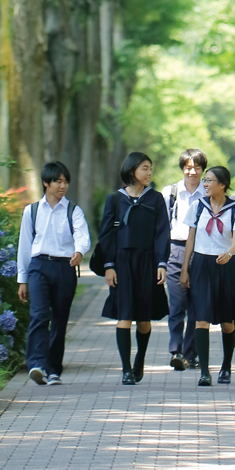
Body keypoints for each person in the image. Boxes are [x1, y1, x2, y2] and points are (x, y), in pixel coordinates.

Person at [16, 161, 92, 386]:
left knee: (60, 319)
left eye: (66, 181)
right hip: (39, 267)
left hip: (65, 267)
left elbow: (82, 234)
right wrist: (22, 279)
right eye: (58, 181)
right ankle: (37, 364)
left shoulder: (73, 210)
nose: (63, 186)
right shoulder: (32, 211)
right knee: (39, 315)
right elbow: (25, 245)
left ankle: (54, 369)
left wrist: (79, 251)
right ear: (45, 183)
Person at [98, 151, 170, 385]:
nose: (149, 173)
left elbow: (162, 233)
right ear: (132, 171)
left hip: (148, 262)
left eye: (150, 168)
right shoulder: (115, 199)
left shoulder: (156, 199)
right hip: (122, 263)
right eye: (144, 168)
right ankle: (126, 369)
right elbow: (106, 235)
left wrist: (162, 263)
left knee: (144, 319)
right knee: (124, 315)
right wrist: (109, 265)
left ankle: (140, 358)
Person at [179, 165, 235, 386]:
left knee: (228, 321)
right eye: (204, 180)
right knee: (201, 319)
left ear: (223, 185)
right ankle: (205, 372)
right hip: (201, 264)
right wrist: (185, 269)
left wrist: (229, 253)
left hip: (226, 266)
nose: (205, 184)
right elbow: (190, 239)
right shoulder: (198, 206)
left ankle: (226, 367)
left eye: (210, 180)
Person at [161, 149, 206, 370]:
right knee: (177, 304)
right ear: (182, 168)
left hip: (201, 252)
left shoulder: (208, 193)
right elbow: (161, 228)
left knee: (196, 307)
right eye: (188, 167)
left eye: (197, 167)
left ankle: (191, 353)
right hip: (175, 251)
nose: (192, 171)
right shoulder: (170, 193)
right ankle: (175, 350)